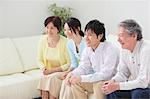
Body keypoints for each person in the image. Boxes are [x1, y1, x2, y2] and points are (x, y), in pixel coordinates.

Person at [60, 19, 119, 99]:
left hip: (109, 81)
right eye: (86, 35)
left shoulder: (110, 49)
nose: (86, 38)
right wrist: (72, 74)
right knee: (74, 82)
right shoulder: (88, 49)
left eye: (90, 35)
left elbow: (106, 74)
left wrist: (82, 78)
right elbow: (83, 67)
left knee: (99, 85)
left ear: (100, 36)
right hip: (96, 80)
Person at [102, 19, 150, 99]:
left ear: (134, 35)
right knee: (111, 90)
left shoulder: (146, 50)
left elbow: (143, 82)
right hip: (137, 87)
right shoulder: (124, 50)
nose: (118, 40)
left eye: (121, 35)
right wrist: (113, 82)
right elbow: (123, 73)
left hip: (146, 87)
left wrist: (118, 86)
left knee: (138, 93)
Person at [37, 16, 70, 99]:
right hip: (48, 71)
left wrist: (52, 70)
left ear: (58, 29)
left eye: (52, 28)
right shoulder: (42, 40)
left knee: (52, 78)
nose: (49, 30)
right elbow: (39, 59)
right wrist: (43, 68)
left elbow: (69, 63)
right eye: (47, 27)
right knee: (43, 77)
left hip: (62, 71)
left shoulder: (65, 42)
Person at [59, 17, 86, 97]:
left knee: (69, 80)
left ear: (78, 28)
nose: (66, 32)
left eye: (69, 29)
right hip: (79, 70)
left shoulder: (86, 43)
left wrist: (71, 73)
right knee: (65, 81)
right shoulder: (69, 44)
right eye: (65, 30)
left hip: (87, 71)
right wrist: (68, 72)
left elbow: (85, 65)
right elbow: (74, 64)